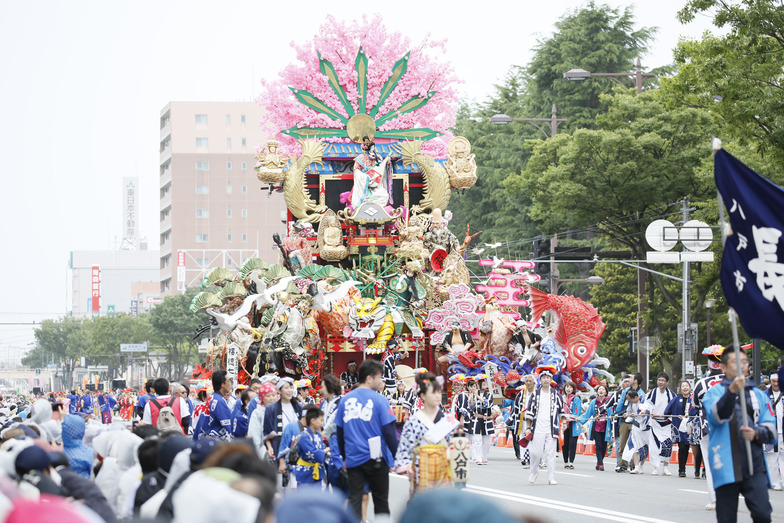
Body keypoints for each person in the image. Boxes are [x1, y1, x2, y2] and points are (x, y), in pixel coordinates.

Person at [703, 348, 775, 523]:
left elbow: (771, 429)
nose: (742, 366)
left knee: (763, 514)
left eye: (744, 362)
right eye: (736, 362)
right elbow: (717, 416)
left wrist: (757, 433)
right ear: (723, 367)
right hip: (726, 463)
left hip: (754, 464)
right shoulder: (714, 393)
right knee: (726, 518)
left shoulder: (758, 394)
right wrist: (731, 392)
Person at [335, 358, 398, 521]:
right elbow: (389, 432)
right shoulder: (379, 400)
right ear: (369, 378)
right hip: (377, 458)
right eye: (379, 377)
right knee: (381, 501)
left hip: (354, 458)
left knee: (355, 499)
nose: (381, 381)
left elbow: (339, 432)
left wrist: (344, 457)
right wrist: (398, 456)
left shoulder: (346, 400)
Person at [394, 372, 457, 494]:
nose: (438, 396)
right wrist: (408, 467)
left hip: (443, 471)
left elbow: (455, 446)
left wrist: (451, 454)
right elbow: (404, 450)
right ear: (422, 395)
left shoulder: (447, 420)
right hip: (420, 472)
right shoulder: (413, 422)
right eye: (433, 393)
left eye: (439, 392)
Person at [693, 344, 727, 509]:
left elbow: (695, 405)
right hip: (729, 426)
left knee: (710, 462)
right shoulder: (732, 381)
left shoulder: (701, 383)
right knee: (728, 461)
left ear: (709, 364)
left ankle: (715, 499)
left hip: (707, 427)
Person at [524, 366, 564, 485]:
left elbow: (562, 411)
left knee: (551, 454)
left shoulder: (556, 395)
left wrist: (564, 422)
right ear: (540, 380)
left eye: (548, 378)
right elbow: (529, 413)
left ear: (551, 379)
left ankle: (551, 477)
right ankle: (534, 471)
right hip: (537, 428)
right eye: (544, 378)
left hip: (551, 428)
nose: (546, 380)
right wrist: (527, 428)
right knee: (536, 453)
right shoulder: (535, 394)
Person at [263, 377, 303, 478]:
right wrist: (269, 447)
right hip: (279, 444)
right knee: (281, 476)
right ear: (279, 391)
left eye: (291, 387)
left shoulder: (299, 406)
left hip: (297, 444)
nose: (289, 390)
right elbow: (267, 431)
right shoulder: (271, 408)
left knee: (296, 475)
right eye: (286, 388)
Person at [644, 372, 675, 476]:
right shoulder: (653, 392)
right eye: (659, 380)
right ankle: (655, 467)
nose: (660, 382)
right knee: (654, 447)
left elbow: (674, 408)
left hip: (666, 423)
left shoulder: (671, 394)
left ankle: (665, 467)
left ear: (667, 382)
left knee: (668, 445)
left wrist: (665, 415)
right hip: (655, 423)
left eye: (663, 380)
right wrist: (647, 411)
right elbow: (648, 404)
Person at [664, 380, 697, 478]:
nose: (685, 388)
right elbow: (667, 411)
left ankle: (698, 470)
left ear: (690, 387)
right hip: (679, 428)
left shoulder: (694, 399)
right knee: (682, 448)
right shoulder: (676, 399)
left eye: (687, 386)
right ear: (680, 388)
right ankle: (681, 470)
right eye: (683, 386)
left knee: (697, 449)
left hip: (692, 427)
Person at [614, 372, 645, 472]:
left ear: (636, 381)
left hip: (635, 422)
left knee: (634, 443)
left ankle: (633, 465)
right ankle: (622, 464)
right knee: (622, 443)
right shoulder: (626, 390)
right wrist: (618, 412)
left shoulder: (641, 394)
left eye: (631, 378)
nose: (629, 380)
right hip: (624, 420)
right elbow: (621, 404)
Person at [291, 405, 328, 488]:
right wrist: (325, 451)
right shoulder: (305, 436)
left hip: (317, 471)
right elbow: (312, 453)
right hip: (305, 473)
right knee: (304, 499)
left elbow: (320, 449)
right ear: (313, 421)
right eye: (321, 420)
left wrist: (326, 452)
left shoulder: (318, 434)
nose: (322, 423)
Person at [579, 383, 613, 470]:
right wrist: (579, 419)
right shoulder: (594, 402)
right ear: (597, 392)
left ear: (606, 392)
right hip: (597, 426)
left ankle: (599, 461)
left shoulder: (609, 401)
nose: (601, 391)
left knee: (604, 446)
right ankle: (601, 464)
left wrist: (611, 416)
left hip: (606, 426)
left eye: (603, 389)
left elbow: (612, 412)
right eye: (599, 389)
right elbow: (588, 414)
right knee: (598, 445)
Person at [470, 376, 494, 466]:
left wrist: (477, 396)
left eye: (485, 384)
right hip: (477, 419)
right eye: (482, 384)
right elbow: (472, 408)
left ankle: (484, 457)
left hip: (487, 420)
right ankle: (478, 458)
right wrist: (472, 398)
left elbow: (487, 405)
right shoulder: (474, 395)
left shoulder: (489, 395)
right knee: (477, 440)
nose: (484, 386)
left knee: (486, 442)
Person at [202, 370, 233, 440]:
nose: (230, 384)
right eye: (228, 381)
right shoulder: (220, 401)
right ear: (222, 384)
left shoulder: (211, 397)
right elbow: (228, 425)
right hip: (215, 441)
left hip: (206, 438)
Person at [765, 373, 783, 490]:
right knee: (772, 457)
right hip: (772, 430)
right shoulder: (765, 395)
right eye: (773, 381)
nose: (776, 384)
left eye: (778, 381)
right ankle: (775, 482)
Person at [561, 381, 582, 469]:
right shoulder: (562, 398)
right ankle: (565, 461)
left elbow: (577, 412)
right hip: (563, 423)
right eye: (567, 387)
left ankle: (571, 462)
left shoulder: (576, 399)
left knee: (572, 443)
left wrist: (568, 418)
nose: (568, 389)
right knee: (564, 444)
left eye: (570, 387)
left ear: (573, 389)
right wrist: (563, 420)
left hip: (573, 424)